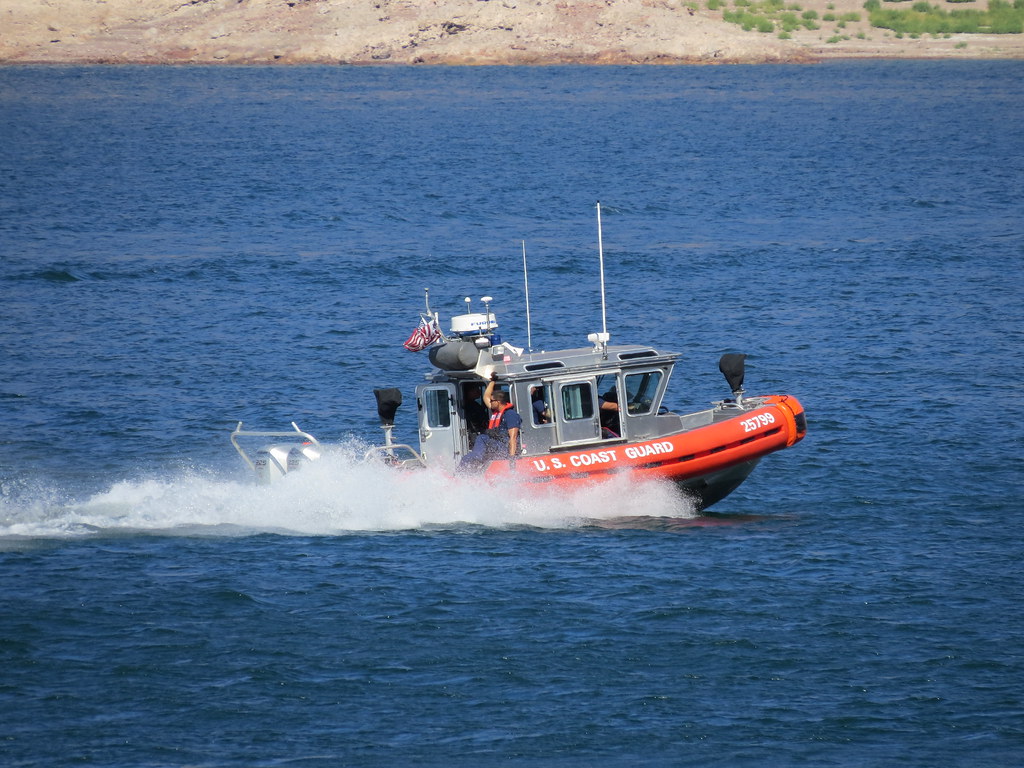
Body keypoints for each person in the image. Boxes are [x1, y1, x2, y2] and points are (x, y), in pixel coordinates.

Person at [460, 374, 522, 466]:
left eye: (492, 401)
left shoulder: (510, 415)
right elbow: (486, 397)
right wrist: (492, 381)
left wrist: (512, 459)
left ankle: (475, 459)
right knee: (468, 455)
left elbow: (513, 438)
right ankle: (471, 463)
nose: (490, 402)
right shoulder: (496, 412)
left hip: (504, 447)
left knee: (482, 438)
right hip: (496, 443)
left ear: (498, 402)